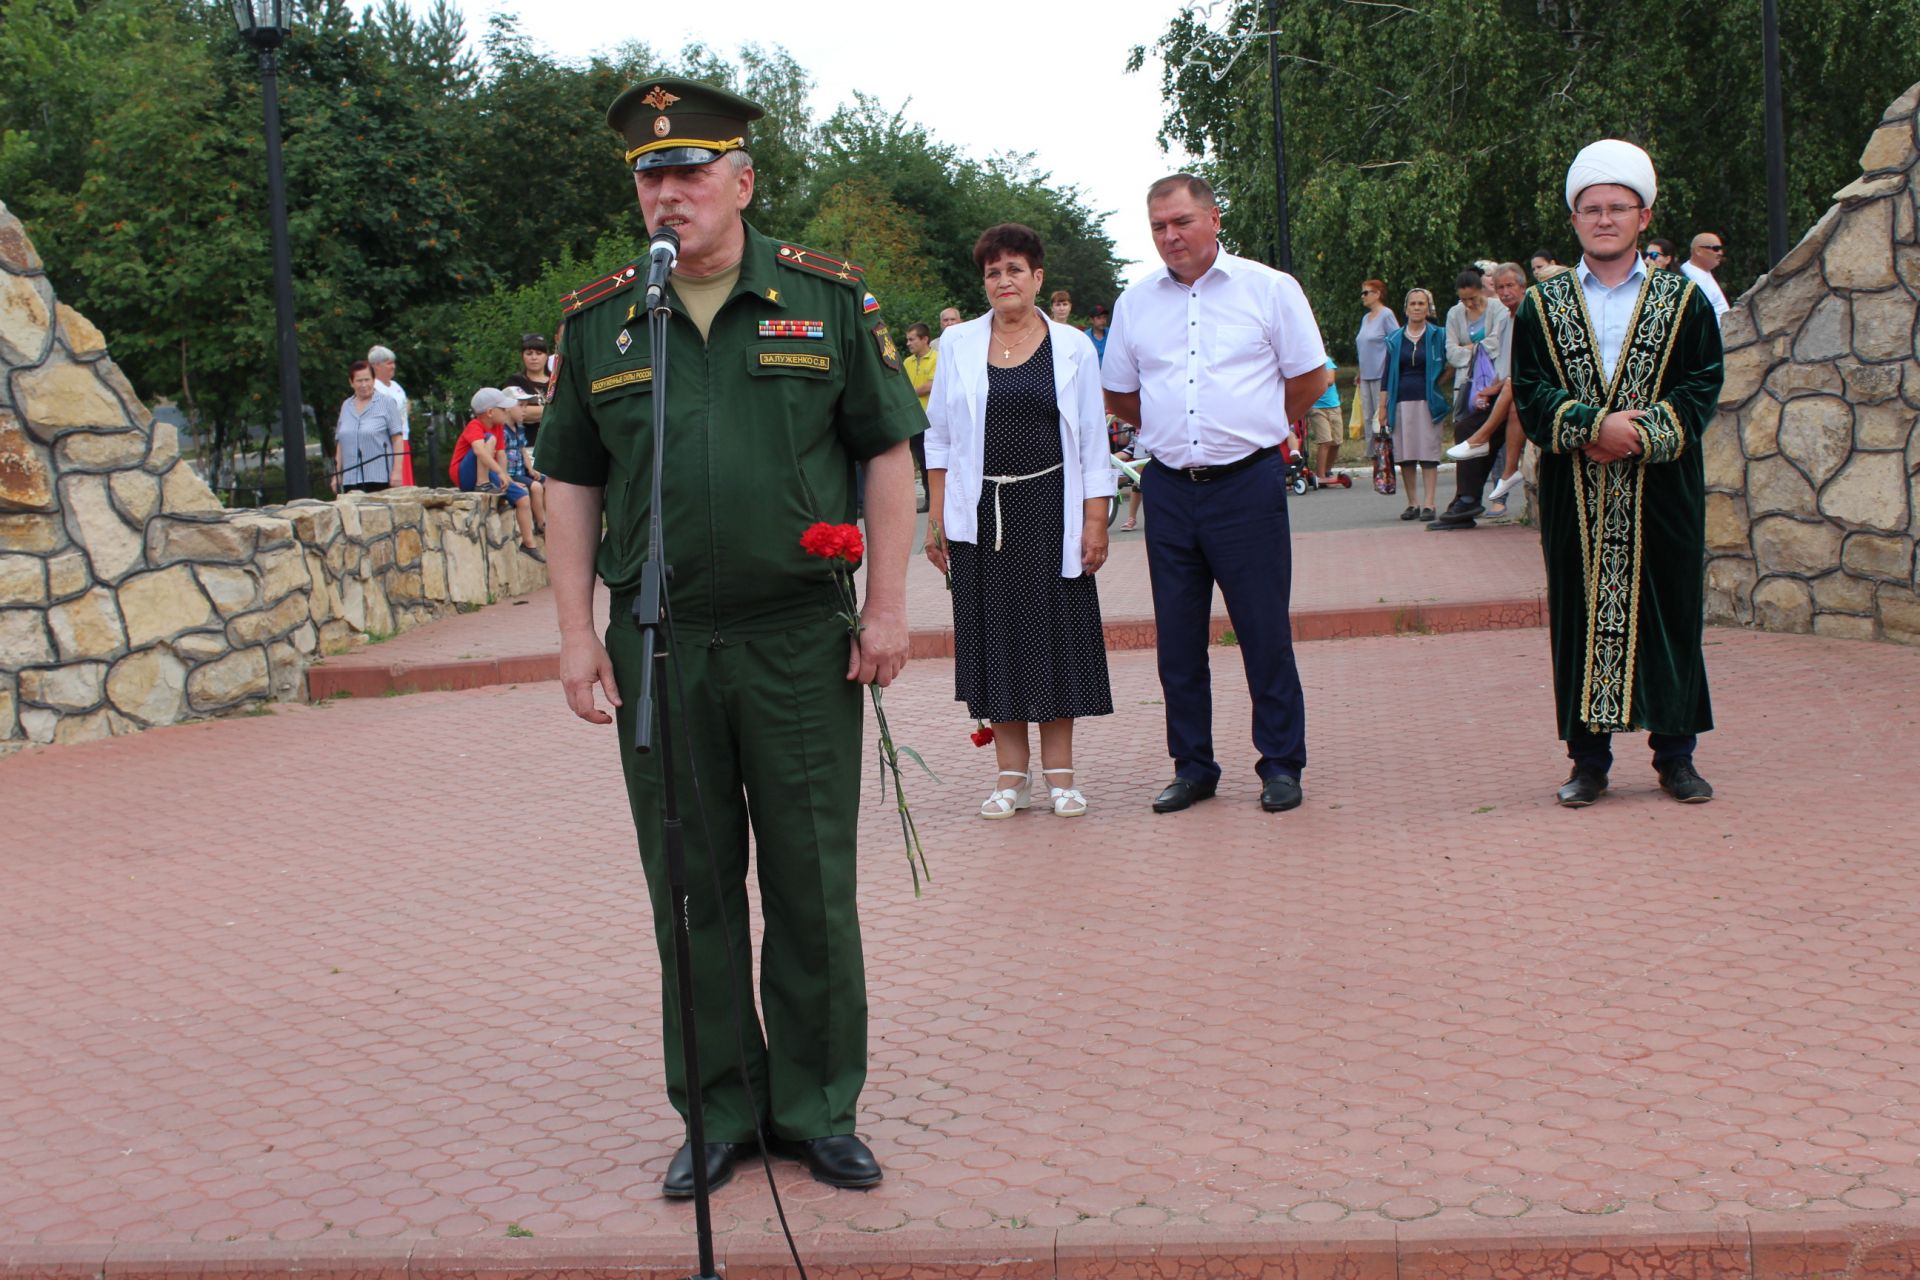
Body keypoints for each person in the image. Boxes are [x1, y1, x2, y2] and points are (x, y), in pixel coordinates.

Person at [536, 78, 920, 1198]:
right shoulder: (602, 320)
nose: (671, 193)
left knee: (809, 879)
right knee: (692, 886)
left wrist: (888, 607)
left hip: (799, 637)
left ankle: (815, 1105)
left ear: (742, 181)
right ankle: (718, 1107)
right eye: (651, 176)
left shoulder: (826, 300)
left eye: (692, 172)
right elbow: (569, 479)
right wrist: (575, 634)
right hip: (661, 642)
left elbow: (888, 457)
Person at [1101, 173, 1331, 816]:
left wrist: (1256, 423)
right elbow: (1118, 391)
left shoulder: (1269, 289)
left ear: (1214, 219)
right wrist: (1169, 431)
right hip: (1170, 487)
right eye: (1157, 227)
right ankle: (1193, 766)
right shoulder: (1136, 302)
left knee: (1263, 632)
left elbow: (1312, 376)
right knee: (1177, 640)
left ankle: (1281, 764)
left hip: (1247, 485)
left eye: (1180, 222)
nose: (1169, 237)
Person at [1512, 138, 1723, 808]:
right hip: (1576, 491)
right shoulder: (1543, 306)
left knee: (1671, 611)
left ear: (1644, 216)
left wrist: (1636, 435)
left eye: (1618, 207)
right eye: (1591, 209)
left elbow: (1702, 385)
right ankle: (1589, 760)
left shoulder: (1684, 300)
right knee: (1579, 616)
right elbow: (1530, 388)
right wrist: (1590, 426)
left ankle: (1677, 755)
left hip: (1663, 489)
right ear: (1574, 220)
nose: (1604, 218)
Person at [922, 224, 1114, 819]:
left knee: (1056, 635)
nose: (1003, 281)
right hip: (981, 514)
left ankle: (1061, 776)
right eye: (992, 272)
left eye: (1014, 270)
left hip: (1051, 509)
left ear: (1038, 278)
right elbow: (940, 440)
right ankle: (1011, 776)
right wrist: (937, 520)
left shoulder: (1073, 346)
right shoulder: (957, 345)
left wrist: (1096, 521)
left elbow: (1091, 439)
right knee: (994, 638)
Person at [1439, 262, 1529, 524]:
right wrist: (1490, 390)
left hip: (1523, 392)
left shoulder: (1517, 313)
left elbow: (1509, 360)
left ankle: (1477, 487)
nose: (1504, 292)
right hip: (1499, 386)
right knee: (1465, 426)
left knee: (1480, 428)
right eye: (1500, 287)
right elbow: (1453, 352)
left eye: (1510, 286)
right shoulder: (1507, 317)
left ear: (1523, 287)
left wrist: (1494, 385)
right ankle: (1467, 498)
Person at [450, 388, 543, 561]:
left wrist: (507, 478)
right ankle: (482, 482)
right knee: (487, 440)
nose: (507, 410)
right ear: (490, 412)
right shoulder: (474, 426)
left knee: (523, 497)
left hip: (489, 471)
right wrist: (499, 472)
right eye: (503, 408)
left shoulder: (498, 427)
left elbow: (501, 454)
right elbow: (479, 451)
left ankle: (529, 544)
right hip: (465, 475)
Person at [1378, 288, 1446, 520]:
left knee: (1428, 452)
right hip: (1401, 401)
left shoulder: (1438, 335)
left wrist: (1438, 383)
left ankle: (1429, 503)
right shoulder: (1395, 338)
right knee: (1405, 454)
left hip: (1428, 400)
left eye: (1421, 304)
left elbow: (1450, 363)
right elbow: (1387, 375)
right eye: (1413, 304)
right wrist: (1382, 408)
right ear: (1406, 308)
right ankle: (1412, 503)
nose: (1417, 308)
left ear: (1428, 308)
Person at [333, 360, 406, 493]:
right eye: (359, 381)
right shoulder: (346, 406)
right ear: (351, 382)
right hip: (351, 479)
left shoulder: (387, 403)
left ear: (373, 380)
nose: (364, 385)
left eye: (367, 379)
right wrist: (336, 475)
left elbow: (397, 439)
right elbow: (340, 443)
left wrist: (397, 472)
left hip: (378, 478)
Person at [1354, 279, 1396, 463]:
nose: (1363, 296)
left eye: (1366, 292)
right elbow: (1363, 345)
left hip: (1381, 374)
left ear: (1377, 294)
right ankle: (1372, 454)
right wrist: (1359, 370)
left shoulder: (1386, 315)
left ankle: (1387, 451)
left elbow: (1395, 341)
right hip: (1366, 375)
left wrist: (1391, 368)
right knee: (1368, 416)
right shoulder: (1365, 318)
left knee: (1380, 416)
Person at [501, 387, 548, 535]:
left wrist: (531, 469)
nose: (524, 410)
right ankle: (542, 523)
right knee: (536, 487)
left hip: (522, 471)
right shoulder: (502, 431)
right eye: (520, 406)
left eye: (526, 406)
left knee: (548, 483)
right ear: (507, 408)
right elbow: (499, 456)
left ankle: (554, 518)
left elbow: (523, 450)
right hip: (512, 474)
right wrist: (507, 479)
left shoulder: (519, 428)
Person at [366, 345, 414, 486]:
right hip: (388, 441)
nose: (393, 366)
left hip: (403, 437)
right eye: (389, 363)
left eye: (393, 362)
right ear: (376, 366)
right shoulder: (373, 387)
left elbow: (405, 406)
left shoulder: (396, 386)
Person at [902, 322, 936, 507]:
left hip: (931, 419)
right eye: (907, 339)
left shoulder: (936, 358)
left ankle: (934, 498)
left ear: (924, 339)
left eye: (911, 339)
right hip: (913, 418)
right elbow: (901, 385)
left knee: (930, 461)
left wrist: (909, 392)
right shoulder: (907, 362)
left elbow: (930, 386)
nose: (908, 343)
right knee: (918, 460)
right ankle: (928, 498)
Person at [1305, 354, 1349, 487]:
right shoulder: (1307, 363)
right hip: (1316, 408)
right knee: (1325, 441)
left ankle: (1327, 470)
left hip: (1333, 406)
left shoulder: (1327, 361)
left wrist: (1313, 380)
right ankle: (1320, 475)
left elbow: (1330, 380)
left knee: (1336, 442)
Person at [504, 334, 553, 446]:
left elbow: (568, 411)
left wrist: (537, 412)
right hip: (526, 445)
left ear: (546, 356)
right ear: (522, 356)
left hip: (556, 444)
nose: (534, 358)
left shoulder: (557, 381)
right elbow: (516, 413)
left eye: (539, 353)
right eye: (529, 353)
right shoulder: (515, 381)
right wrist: (554, 411)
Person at [1681, 231, 1730, 325]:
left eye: (1721, 249)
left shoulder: (1703, 271)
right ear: (1698, 251)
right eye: (1716, 249)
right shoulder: (1689, 276)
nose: (1720, 253)